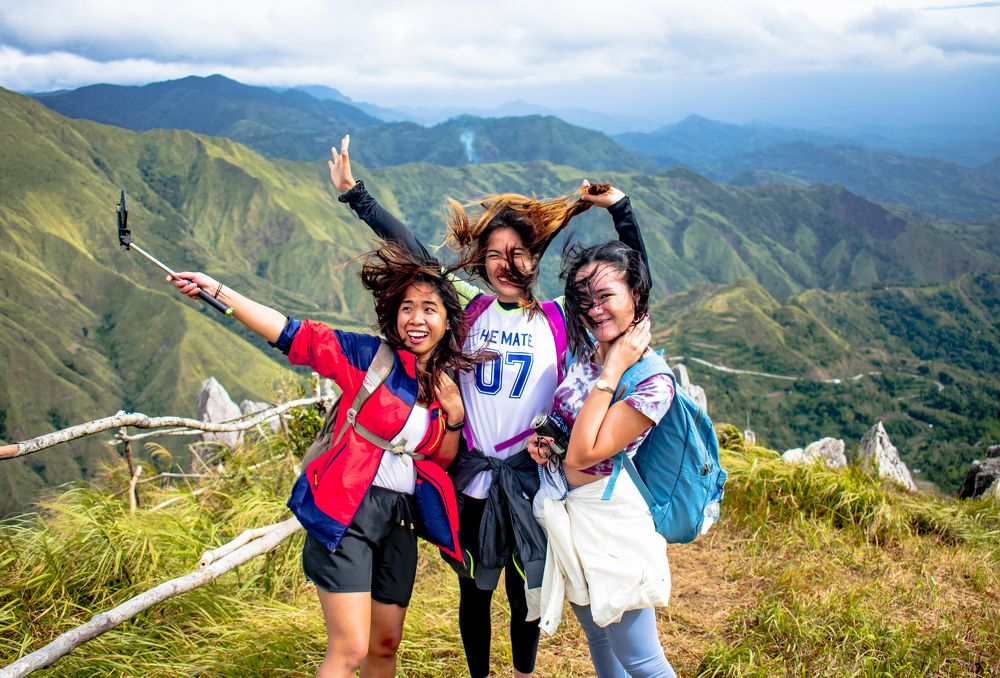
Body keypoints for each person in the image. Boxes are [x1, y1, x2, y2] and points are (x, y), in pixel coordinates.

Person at [327, 134, 649, 678]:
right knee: (473, 592)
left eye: (518, 253)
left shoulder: (558, 319)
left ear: (535, 258)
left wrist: (620, 209)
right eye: (495, 253)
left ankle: (522, 673)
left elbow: (631, 283)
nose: (506, 263)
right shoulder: (468, 311)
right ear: (481, 259)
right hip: (471, 482)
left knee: (526, 589)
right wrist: (356, 196)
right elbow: (413, 251)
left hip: (531, 480)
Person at [169, 242, 477, 678]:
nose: (417, 319)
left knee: (385, 646)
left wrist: (456, 417)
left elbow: (439, 459)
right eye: (407, 308)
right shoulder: (369, 359)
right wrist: (220, 292)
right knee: (350, 648)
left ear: (447, 320)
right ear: (395, 316)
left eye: (429, 309)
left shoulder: (445, 383)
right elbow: (292, 333)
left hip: (399, 519)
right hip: (347, 511)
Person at [526, 239, 677, 677]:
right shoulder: (586, 352)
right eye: (583, 299)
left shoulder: (652, 381)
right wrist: (545, 443)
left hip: (611, 525)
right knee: (600, 639)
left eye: (606, 295)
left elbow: (587, 451)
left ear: (636, 296)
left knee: (642, 659)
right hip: (569, 515)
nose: (593, 309)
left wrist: (612, 372)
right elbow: (570, 429)